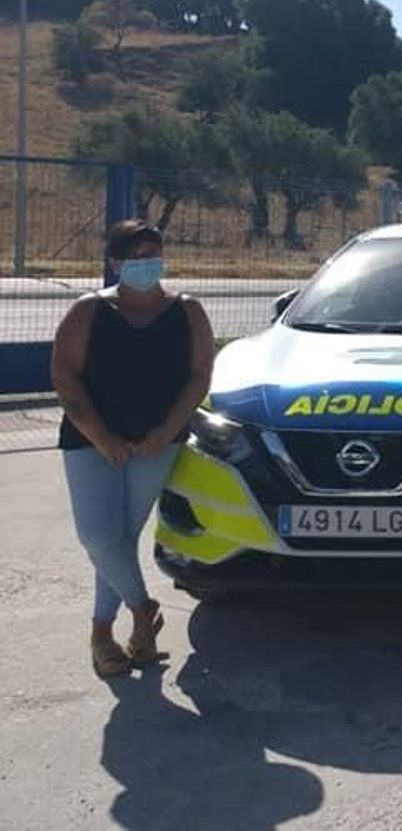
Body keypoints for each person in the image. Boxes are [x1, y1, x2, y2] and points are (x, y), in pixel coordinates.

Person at [52, 220, 214, 677]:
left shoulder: (188, 311)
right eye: (136, 258)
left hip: (156, 444)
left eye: (153, 256)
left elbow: (200, 375)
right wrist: (101, 436)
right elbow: (65, 376)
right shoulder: (89, 310)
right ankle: (144, 610)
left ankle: (103, 633)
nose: (147, 266)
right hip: (90, 442)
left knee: (121, 537)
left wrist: (167, 430)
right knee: (99, 537)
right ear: (115, 262)